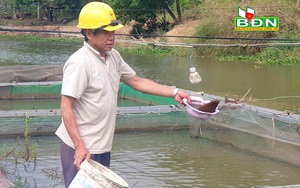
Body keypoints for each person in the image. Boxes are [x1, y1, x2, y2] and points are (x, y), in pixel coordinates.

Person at [55, 2, 191, 187]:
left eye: (113, 32)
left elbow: (137, 81)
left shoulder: (114, 57)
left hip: (102, 146)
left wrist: (174, 92)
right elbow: (66, 107)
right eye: (106, 32)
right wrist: (79, 146)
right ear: (89, 33)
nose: (112, 37)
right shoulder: (79, 63)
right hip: (79, 147)